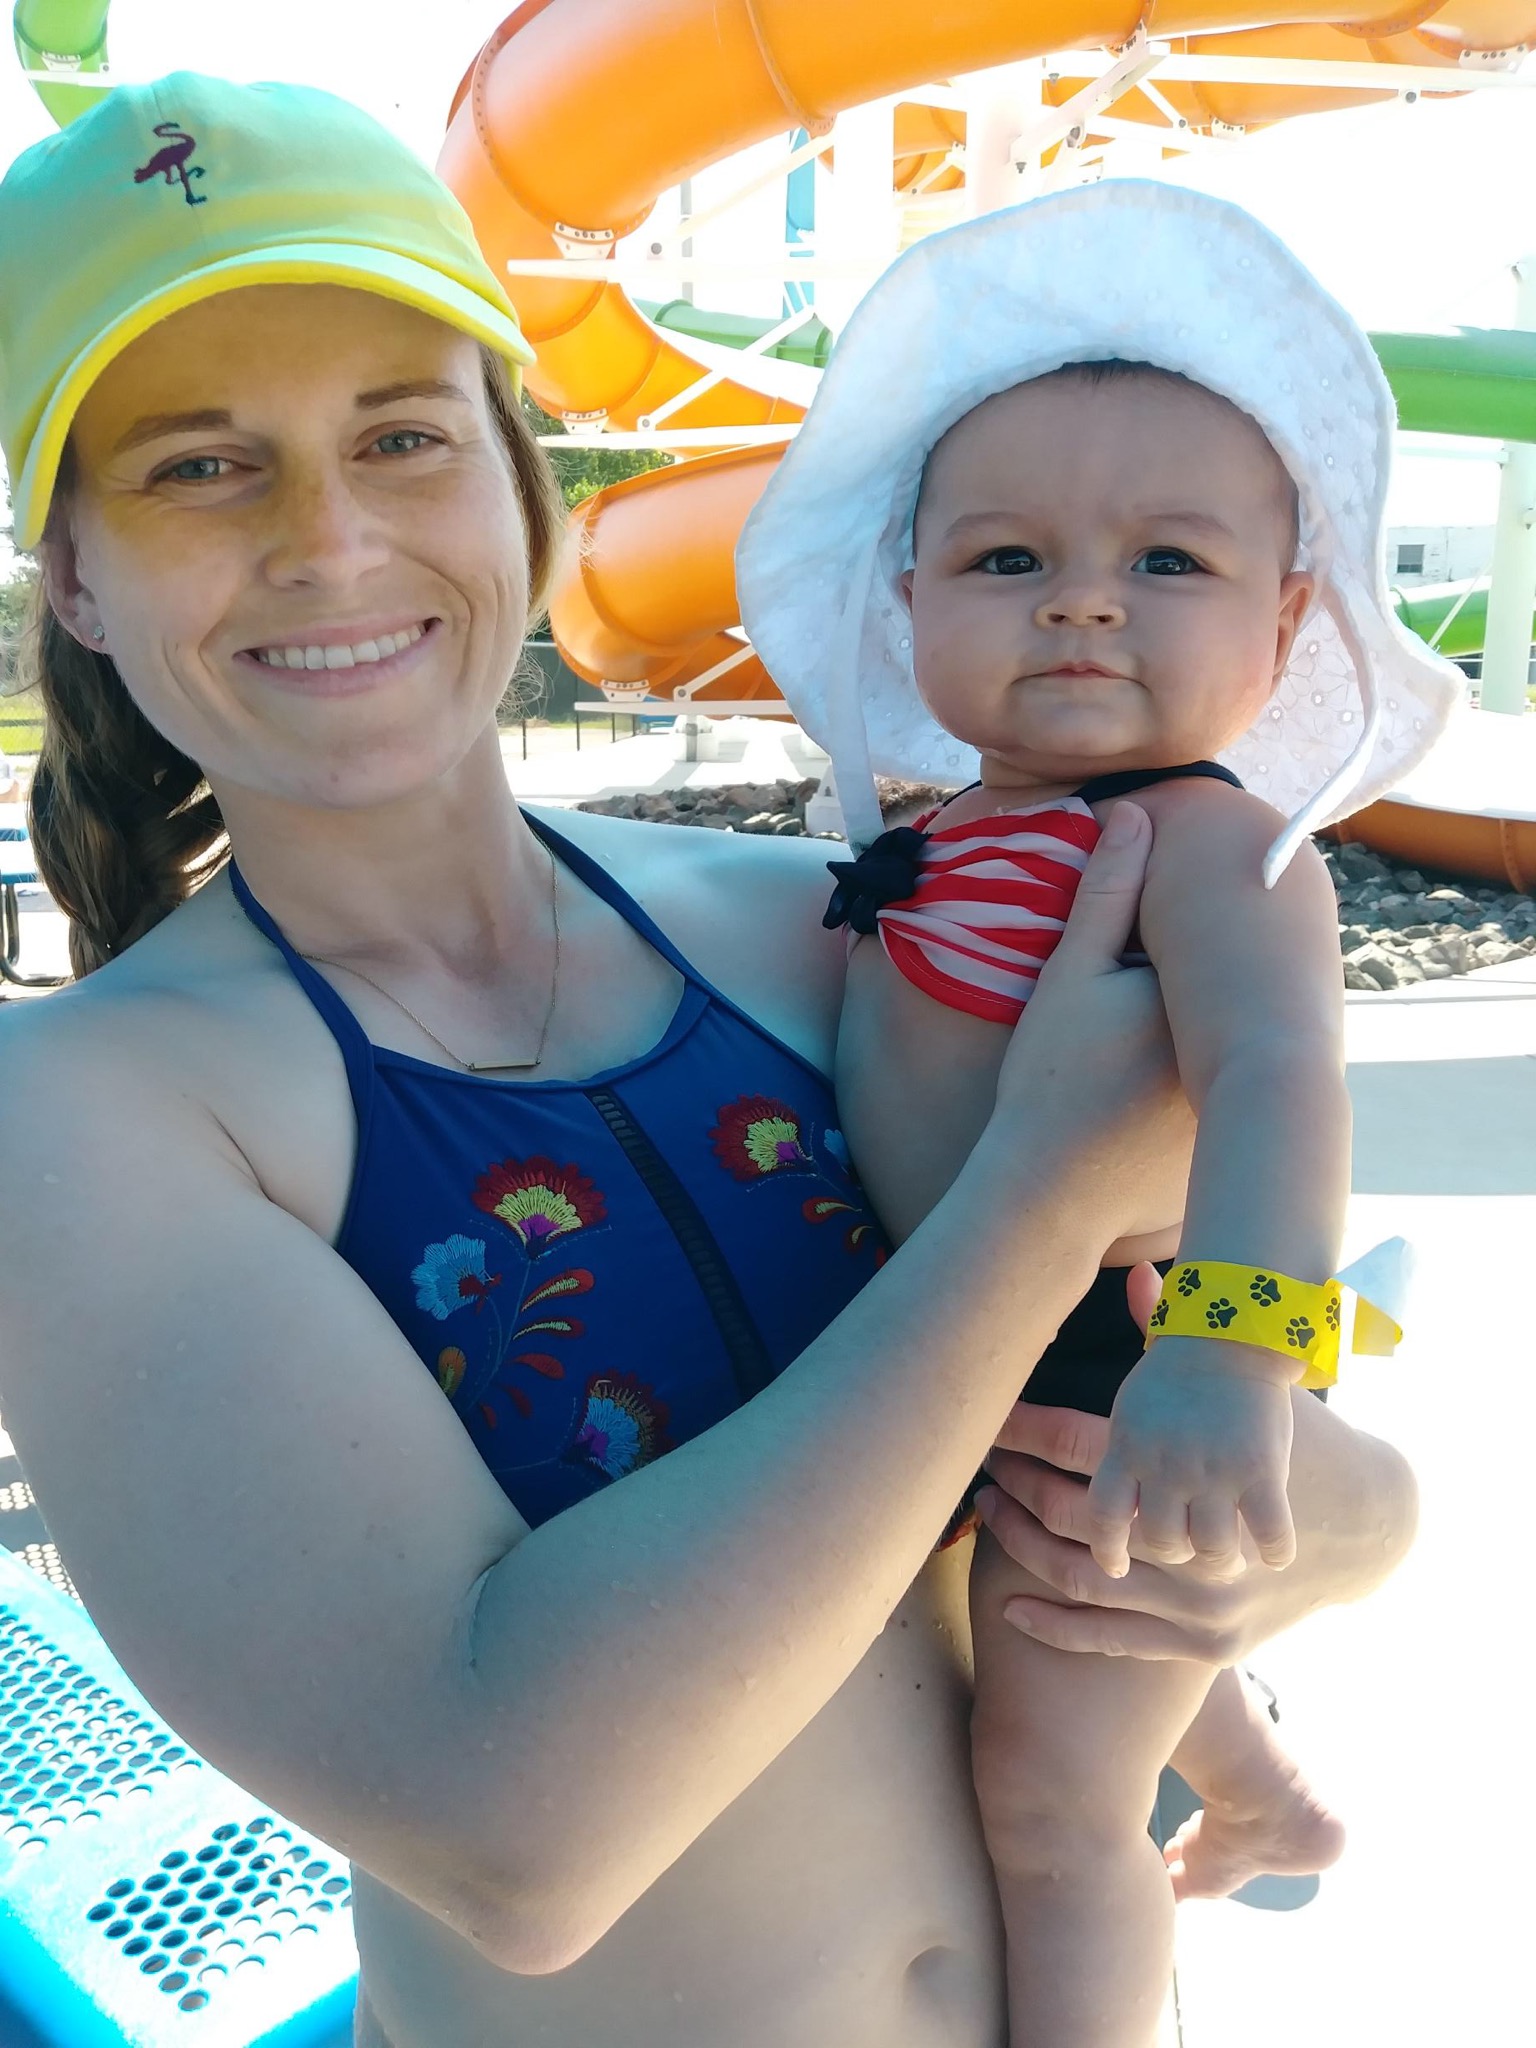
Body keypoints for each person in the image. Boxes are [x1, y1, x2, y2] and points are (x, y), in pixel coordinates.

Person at [0, 80, 1418, 2048]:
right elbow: (517, 1834)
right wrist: (1036, 1202)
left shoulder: (819, 923)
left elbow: (1333, 1488)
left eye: (402, 436)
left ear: (524, 491)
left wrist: (1307, 1512)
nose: (329, 539)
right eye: (200, 467)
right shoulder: (96, 1115)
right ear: (73, 573)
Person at [737, 183, 1454, 2048]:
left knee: (1052, 1798)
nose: (1079, 598)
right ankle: (1264, 1794)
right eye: (1006, 558)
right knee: (1091, 1651)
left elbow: (1281, 1077)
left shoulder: (1215, 846)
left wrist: (1231, 1361)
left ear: (1286, 621)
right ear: (909, 600)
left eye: (1166, 560)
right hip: (960, 1335)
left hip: (1130, 1355)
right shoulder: (941, 830)